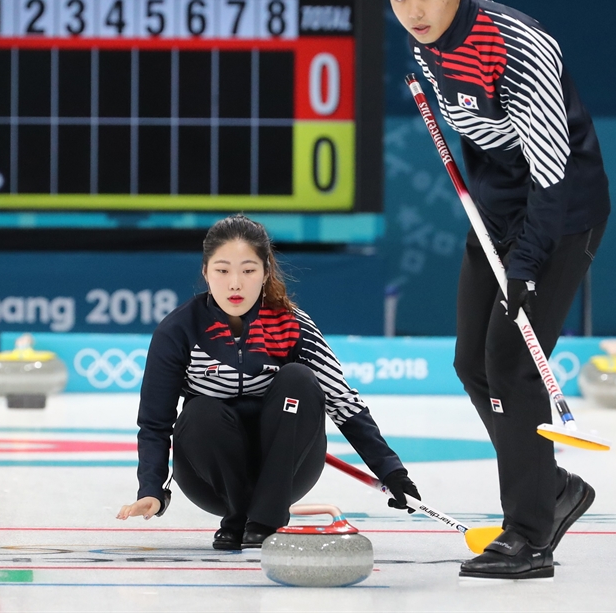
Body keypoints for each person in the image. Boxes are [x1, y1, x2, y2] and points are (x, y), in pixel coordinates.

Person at [378, 0, 610, 580]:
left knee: (511, 365)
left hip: (562, 214)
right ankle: (554, 488)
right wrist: (488, 217)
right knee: (470, 362)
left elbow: (551, 171)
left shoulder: (518, 46)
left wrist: (527, 264)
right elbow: (482, 143)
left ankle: (529, 534)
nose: (413, 10)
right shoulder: (424, 46)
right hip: (500, 214)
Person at [116, 214, 419, 550]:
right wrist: (152, 491)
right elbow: (155, 424)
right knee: (200, 411)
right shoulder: (178, 330)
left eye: (247, 270)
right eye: (222, 270)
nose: (235, 284)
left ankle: (262, 519)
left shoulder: (292, 324)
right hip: (209, 479)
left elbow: (343, 402)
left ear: (265, 273)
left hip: (288, 472)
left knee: (299, 379)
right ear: (205, 272)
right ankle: (239, 514)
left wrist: (392, 472)